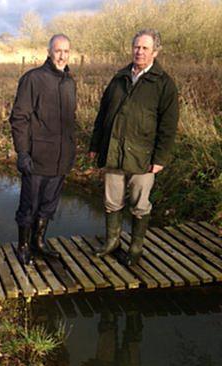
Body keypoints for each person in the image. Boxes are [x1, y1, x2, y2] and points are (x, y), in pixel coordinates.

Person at [89, 29, 179, 266]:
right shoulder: (119, 78)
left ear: (155, 52)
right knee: (112, 200)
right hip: (113, 151)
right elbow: (103, 114)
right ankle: (112, 242)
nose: (139, 52)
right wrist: (96, 145)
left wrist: (160, 158)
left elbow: (168, 127)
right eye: (136, 47)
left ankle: (136, 247)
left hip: (143, 156)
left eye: (145, 48)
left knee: (140, 204)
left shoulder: (164, 84)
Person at [9, 34, 76, 265]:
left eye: (66, 51)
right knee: (29, 206)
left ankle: (39, 243)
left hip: (60, 159)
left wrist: (70, 152)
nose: (62, 55)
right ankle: (24, 246)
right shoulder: (33, 79)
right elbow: (19, 118)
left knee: (48, 206)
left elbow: (69, 121)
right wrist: (23, 152)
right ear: (49, 52)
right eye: (58, 51)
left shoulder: (69, 82)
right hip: (37, 158)